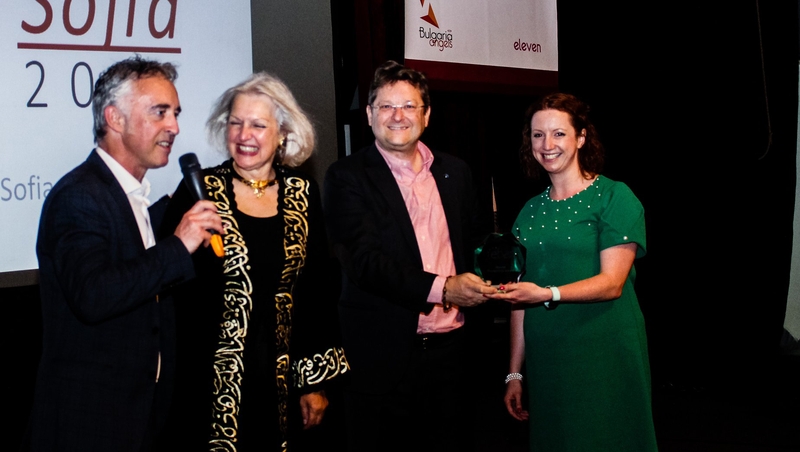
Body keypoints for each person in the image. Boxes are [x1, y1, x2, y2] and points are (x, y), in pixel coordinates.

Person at [27, 56, 223, 452]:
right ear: (115, 118)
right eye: (160, 112)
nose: (175, 126)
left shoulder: (134, 198)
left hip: (140, 419)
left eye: (176, 113)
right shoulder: (80, 195)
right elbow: (93, 295)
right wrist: (178, 245)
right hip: (91, 424)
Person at [158, 72, 349, 452]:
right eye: (235, 122)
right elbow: (163, 281)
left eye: (258, 125)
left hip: (278, 379)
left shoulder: (302, 194)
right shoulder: (199, 192)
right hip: (207, 381)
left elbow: (315, 292)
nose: (244, 134)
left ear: (282, 132)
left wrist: (312, 383)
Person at [323, 60, 496, 452]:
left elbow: (476, 242)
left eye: (409, 106)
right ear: (369, 115)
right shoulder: (346, 177)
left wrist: (496, 273)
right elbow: (364, 263)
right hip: (382, 362)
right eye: (386, 106)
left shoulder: (456, 172)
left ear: (427, 114)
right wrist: (446, 288)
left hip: (453, 357)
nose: (398, 116)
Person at [487, 93, 658, 451]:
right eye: (537, 135)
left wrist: (547, 293)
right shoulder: (529, 212)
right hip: (547, 359)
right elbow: (520, 297)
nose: (547, 145)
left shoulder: (615, 197)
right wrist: (515, 373)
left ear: (581, 137)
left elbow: (612, 284)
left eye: (559, 134)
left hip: (603, 351)